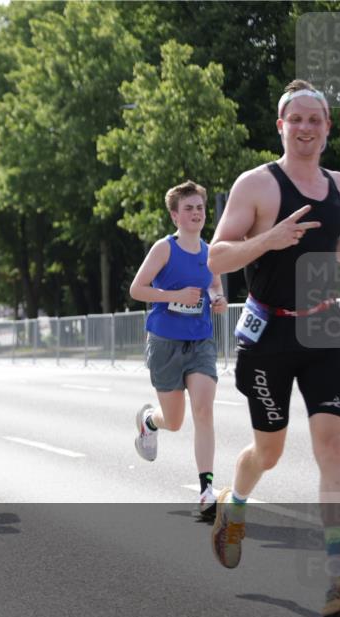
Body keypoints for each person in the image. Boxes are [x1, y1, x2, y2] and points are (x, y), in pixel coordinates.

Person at [207, 80, 340, 617]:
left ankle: (336, 575)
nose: (305, 128)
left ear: (327, 128)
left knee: (331, 447)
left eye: (314, 120)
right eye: (294, 119)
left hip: (323, 329)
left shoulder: (338, 184)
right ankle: (236, 501)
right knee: (267, 453)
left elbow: (330, 238)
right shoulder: (256, 185)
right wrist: (264, 241)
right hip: (269, 336)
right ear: (281, 126)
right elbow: (217, 258)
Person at [128, 181, 226, 518]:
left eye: (200, 207)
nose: (197, 213)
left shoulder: (209, 251)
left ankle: (207, 491)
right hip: (165, 342)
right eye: (189, 208)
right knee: (175, 420)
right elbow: (137, 289)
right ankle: (149, 424)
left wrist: (218, 299)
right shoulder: (164, 249)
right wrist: (175, 295)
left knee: (204, 410)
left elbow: (213, 283)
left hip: (200, 340)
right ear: (175, 215)